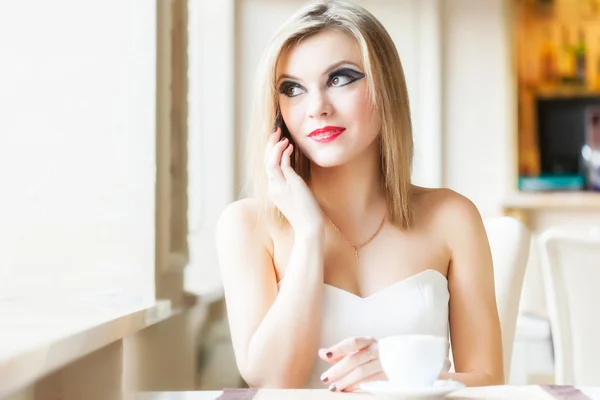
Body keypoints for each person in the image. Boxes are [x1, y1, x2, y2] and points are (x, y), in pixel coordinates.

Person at [215, 0, 503, 391]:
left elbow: (491, 383)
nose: (317, 108)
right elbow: (272, 383)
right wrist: (309, 232)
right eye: (292, 88)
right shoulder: (246, 226)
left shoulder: (452, 218)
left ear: (385, 87)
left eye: (340, 78)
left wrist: (404, 376)